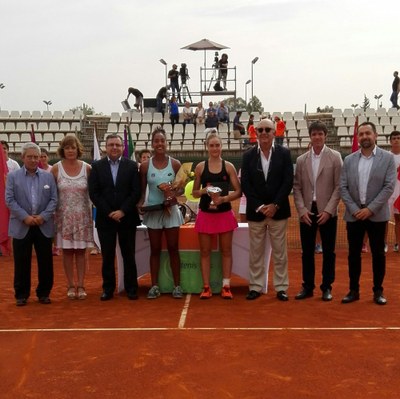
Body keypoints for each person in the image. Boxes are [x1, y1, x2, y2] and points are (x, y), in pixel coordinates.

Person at [340, 121, 396, 305]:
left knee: (378, 254)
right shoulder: (349, 160)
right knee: (353, 254)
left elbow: (388, 187)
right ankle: (353, 290)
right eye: (361, 134)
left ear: (375, 135)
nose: (364, 137)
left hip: (377, 215)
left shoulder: (387, 158)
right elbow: (343, 187)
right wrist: (356, 210)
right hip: (354, 215)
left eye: (367, 133)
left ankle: (378, 291)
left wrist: (370, 209)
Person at [241, 118, 293, 301]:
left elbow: (288, 182)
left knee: (280, 252)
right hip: (257, 212)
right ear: (256, 132)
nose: (263, 133)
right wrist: (260, 206)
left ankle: (281, 287)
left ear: (274, 133)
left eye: (267, 130)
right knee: (255, 252)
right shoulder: (247, 156)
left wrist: (275, 205)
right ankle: (255, 286)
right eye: (260, 130)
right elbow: (246, 184)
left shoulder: (284, 154)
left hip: (278, 211)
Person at [293, 121, 343, 301]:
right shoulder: (301, 160)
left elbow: (339, 186)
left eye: (320, 134)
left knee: (329, 251)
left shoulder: (335, 157)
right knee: (307, 252)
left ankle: (326, 287)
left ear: (325, 136)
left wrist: (329, 211)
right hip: (307, 211)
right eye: (314, 134)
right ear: (310, 136)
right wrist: (301, 210)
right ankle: (307, 286)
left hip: (327, 211)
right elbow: (297, 187)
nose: (317, 137)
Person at [88, 134, 141, 301]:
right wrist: (109, 212)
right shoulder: (96, 167)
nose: (114, 148)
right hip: (105, 218)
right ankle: (108, 289)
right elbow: (94, 193)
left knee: (129, 255)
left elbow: (135, 192)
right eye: (111, 145)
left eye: (117, 145)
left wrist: (123, 211)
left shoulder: (132, 166)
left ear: (122, 147)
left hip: (127, 217)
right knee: (108, 256)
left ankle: (131, 288)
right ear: (105, 147)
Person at [5, 142, 58, 306]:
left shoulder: (48, 176)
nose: (34, 160)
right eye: (30, 157)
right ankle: (21, 294)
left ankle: (44, 293)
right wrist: (25, 217)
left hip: (44, 225)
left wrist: (43, 216)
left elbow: (54, 199)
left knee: (45, 262)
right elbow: (9, 200)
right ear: (22, 158)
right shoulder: (13, 176)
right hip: (22, 225)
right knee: (21, 261)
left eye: (36, 157)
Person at [192, 132, 241, 299]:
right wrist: (206, 191)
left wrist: (224, 199)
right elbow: (194, 193)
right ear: (207, 147)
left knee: (226, 251)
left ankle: (226, 286)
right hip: (206, 214)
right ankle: (206, 287)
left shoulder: (228, 167)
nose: (215, 148)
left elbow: (239, 191)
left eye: (217, 145)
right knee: (205, 251)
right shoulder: (200, 167)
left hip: (224, 214)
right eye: (211, 145)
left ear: (221, 147)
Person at [138, 127, 184, 299]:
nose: (159, 144)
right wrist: (140, 204)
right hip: (153, 213)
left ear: (166, 143)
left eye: (162, 141)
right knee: (155, 249)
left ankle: (177, 286)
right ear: (152, 143)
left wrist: (172, 193)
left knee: (173, 248)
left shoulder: (175, 164)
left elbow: (180, 192)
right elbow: (142, 193)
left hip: (171, 212)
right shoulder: (144, 166)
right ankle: (154, 286)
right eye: (156, 141)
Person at [51, 136, 93, 300]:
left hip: (82, 218)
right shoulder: (55, 169)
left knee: (81, 253)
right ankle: (70, 285)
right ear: (63, 149)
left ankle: (81, 285)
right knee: (67, 253)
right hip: (63, 218)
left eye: (73, 147)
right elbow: (50, 195)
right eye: (67, 147)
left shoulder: (87, 168)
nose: (70, 150)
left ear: (78, 149)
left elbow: (94, 192)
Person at [386, 130, 400, 251]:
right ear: (390, 141)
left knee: (398, 219)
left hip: (399, 193)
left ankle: (397, 243)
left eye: (398, 138)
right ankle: (383, 243)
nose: (396, 140)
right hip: (388, 192)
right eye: (394, 138)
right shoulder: (386, 156)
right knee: (384, 219)